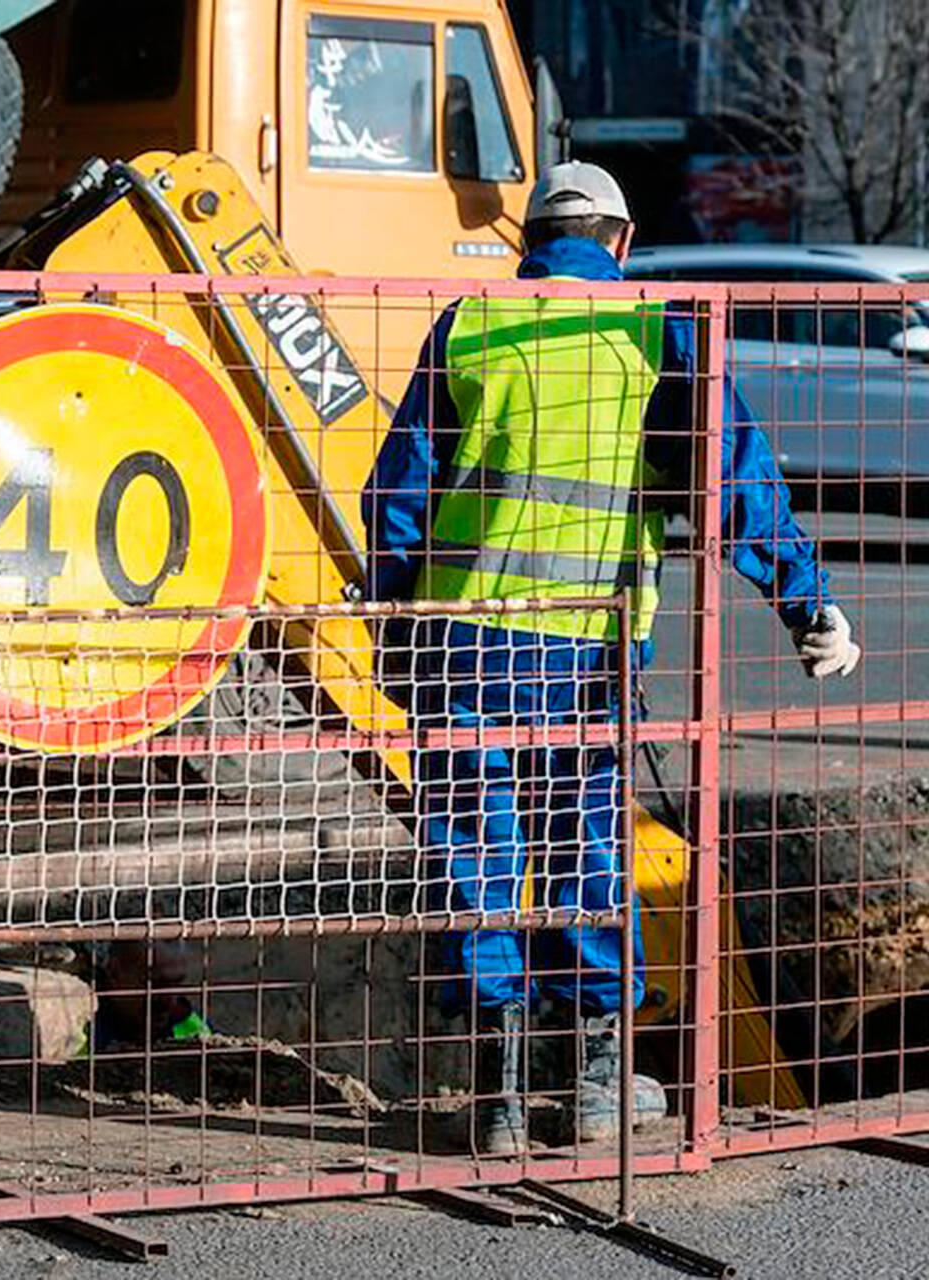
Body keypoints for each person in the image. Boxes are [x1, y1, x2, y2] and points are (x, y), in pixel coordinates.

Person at [362, 161, 860, 1152]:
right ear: (621, 242)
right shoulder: (653, 331)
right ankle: (593, 1087)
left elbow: (396, 498)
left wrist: (392, 629)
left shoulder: (469, 324)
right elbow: (731, 479)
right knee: (588, 848)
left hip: (463, 641)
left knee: (476, 853)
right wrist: (804, 601)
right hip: (588, 648)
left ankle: (498, 1096)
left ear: (527, 245)